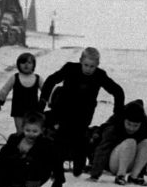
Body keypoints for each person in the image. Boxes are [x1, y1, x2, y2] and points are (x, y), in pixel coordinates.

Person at [39, 47, 125, 177]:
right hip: (64, 108)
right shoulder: (70, 68)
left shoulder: (100, 75)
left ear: (97, 65)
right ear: (80, 61)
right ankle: (56, 167)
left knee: (79, 136)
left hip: (84, 112)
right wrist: (43, 100)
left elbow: (118, 91)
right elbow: (51, 80)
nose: (88, 69)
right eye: (86, 65)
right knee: (61, 135)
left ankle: (79, 161)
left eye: (92, 66)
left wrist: (117, 111)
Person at [0, 110, 65, 187]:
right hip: (19, 171)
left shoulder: (46, 144)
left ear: (42, 130)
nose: (31, 134)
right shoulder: (15, 140)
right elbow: (0, 157)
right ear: (23, 128)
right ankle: (15, 185)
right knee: (9, 157)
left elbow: (56, 162)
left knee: (37, 160)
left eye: (35, 131)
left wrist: (58, 182)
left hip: (38, 174)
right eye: (27, 130)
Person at [87, 99, 147, 185]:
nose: (131, 128)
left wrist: (142, 172)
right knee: (131, 142)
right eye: (129, 124)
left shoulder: (143, 130)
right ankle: (120, 176)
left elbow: (144, 152)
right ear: (123, 120)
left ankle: (135, 176)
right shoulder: (113, 128)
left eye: (135, 126)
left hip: (129, 164)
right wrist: (95, 175)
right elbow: (103, 149)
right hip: (114, 163)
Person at [0, 52, 42, 133]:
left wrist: (52, 101)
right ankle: (20, 144)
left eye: (29, 63)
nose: (26, 65)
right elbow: (5, 90)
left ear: (33, 65)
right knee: (20, 130)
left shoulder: (38, 78)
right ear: (18, 64)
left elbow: (46, 90)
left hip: (33, 110)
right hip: (18, 110)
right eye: (23, 62)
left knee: (32, 130)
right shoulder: (15, 78)